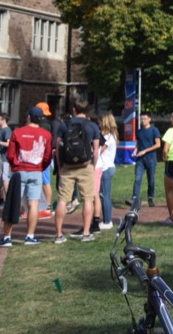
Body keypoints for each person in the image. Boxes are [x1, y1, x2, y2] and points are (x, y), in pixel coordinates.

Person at [0, 107, 54, 246]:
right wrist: (41, 166)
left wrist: (14, 165)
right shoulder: (46, 134)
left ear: (29, 117)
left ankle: (7, 237)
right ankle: (30, 236)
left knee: (13, 203)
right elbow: (48, 156)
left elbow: (11, 154)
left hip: (19, 171)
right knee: (33, 203)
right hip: (36, 170)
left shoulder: (18, 132)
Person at [53, 98, 100, 243]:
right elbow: (96, 151)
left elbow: (57, 150)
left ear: (74, 109)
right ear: (87, 110)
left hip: (67, 167)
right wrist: (92, 165)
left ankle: (59, 235)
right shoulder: (92, 126)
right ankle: (86, 233)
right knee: (87, 199)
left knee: (62, 200)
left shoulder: (64, 125)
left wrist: (60, 167)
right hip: (85, 165)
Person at [130, 113, 162, 206]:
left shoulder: (154, 130)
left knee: (151, 180)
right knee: (137, 178)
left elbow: (158, 144)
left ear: (149, 119)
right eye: (141, 119)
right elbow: (138, 143)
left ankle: (150, 198)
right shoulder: (139, 131)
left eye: (144, 118)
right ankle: (135, 198)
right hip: (140, 159)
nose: (143, 120)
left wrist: (145, 151)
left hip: (151, 158)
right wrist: (135, 150)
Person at [96, 113, 119, 230]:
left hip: (106, 168)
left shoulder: (107, 137)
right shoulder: (112, 136)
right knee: (104, 195)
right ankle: (106, 219)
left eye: (100, 122)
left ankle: (107, 221)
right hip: (108, 167)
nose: (99, 124)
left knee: (105, 196)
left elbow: (99, 151)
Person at [0, 114, 10, 206]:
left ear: (4, 120)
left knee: (3, 177)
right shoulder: (0, 130)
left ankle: (7, 199)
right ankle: (1, 198)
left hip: (3, 156)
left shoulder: (7, 130)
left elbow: (9, 144)